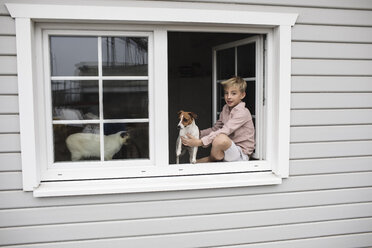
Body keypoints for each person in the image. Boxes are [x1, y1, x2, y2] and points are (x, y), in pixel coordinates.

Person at [181, 76, 255, 162]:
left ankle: (212, 160)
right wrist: (197, 134)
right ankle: (213, 160)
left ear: (242, 95)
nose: (229, 97)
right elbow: (216, 128)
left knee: (220, 138)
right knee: (193, 165)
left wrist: (200, 142)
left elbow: (225, 130)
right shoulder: (226, 108)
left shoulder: (243, 112)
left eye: (233, 93)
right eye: (226, 93)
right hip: (227, 151)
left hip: (241, 154)